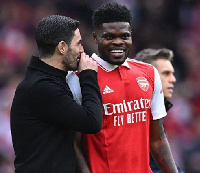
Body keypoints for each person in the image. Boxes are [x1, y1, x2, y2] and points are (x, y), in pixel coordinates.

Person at [67, 2, 178, 173]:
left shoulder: (149, 73)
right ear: (96, 37)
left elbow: (158, 139)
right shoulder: (79, 78)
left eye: (124, 36)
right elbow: (73, 144)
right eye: (109, 37)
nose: (118, 42)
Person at [10, 15, 103, 173]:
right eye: (78, 43)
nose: (82, 49)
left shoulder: (47, 81)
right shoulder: (42, 87)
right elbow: (92, 122)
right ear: (62, 47)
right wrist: (88, 75)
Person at [135, 48, 184, 173]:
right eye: (166, 73)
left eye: (172, 73)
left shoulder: (155, 111)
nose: (173, 79)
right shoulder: (137, 115)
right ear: (148, 77)